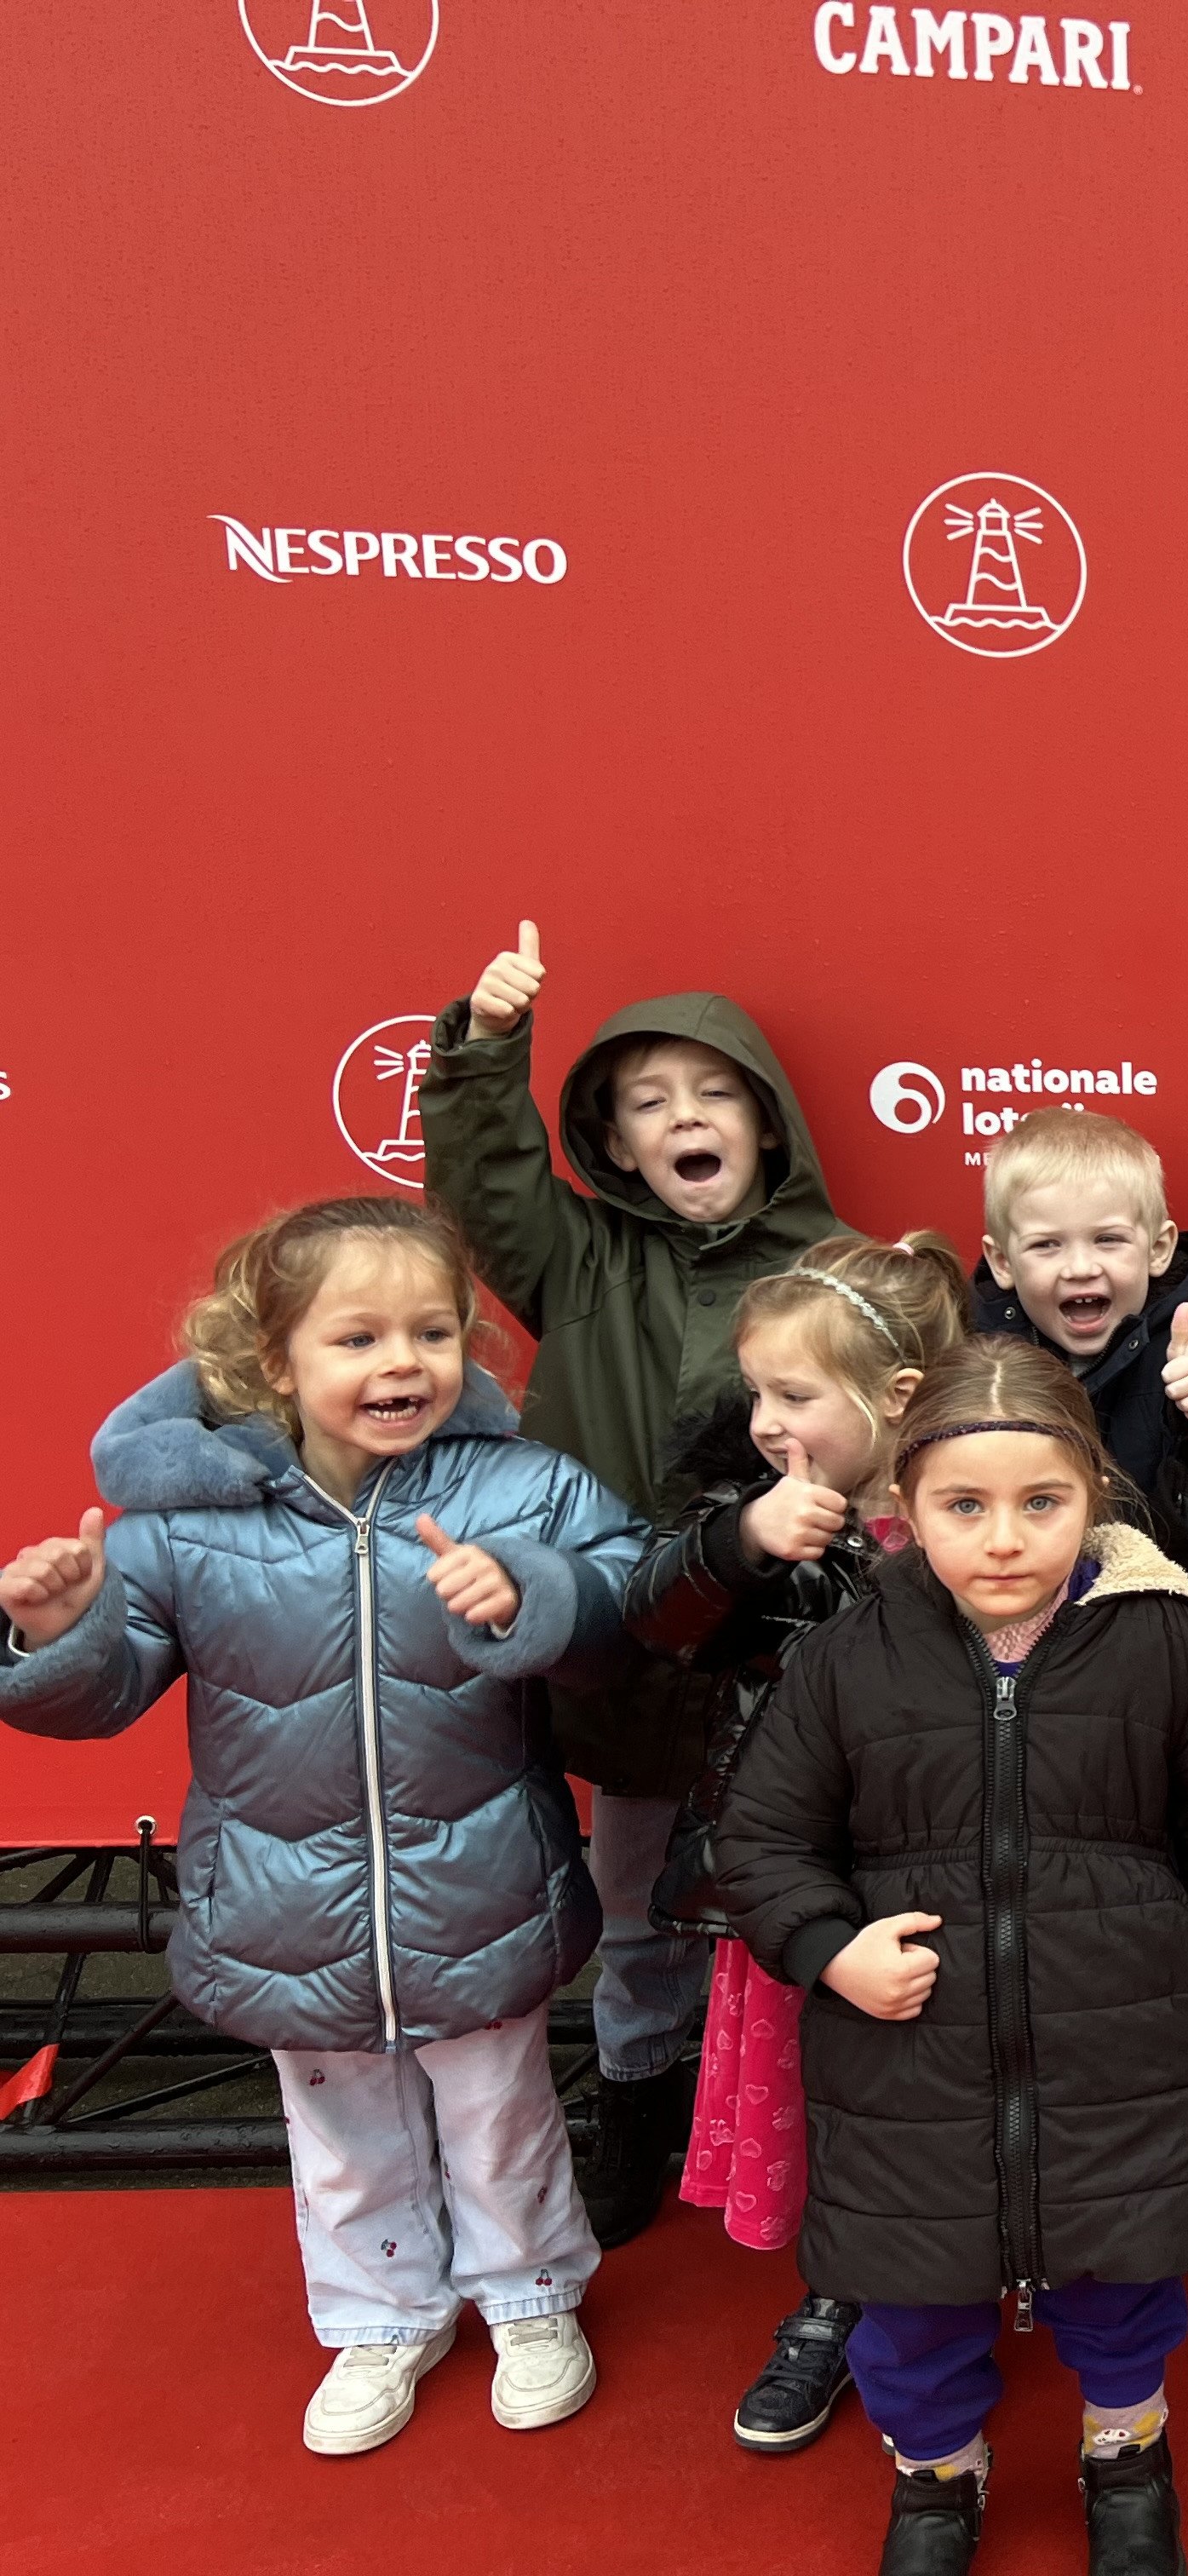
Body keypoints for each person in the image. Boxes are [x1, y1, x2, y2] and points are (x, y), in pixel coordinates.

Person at [0, 1198, 639, 2454]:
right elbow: (105, 1690)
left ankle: (530, 2295)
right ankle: (380, 2316)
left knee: (503, 2111)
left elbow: (628, 1597)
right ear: (271, 1360)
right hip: (281, 1904)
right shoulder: (185, 1529)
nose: (403, 1362)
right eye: (358, 1338)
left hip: (483, 1884)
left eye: (432, 1332)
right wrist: (54, 1635)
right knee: (341, 2133)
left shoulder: (524, 1486)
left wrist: (536, 1593)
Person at [715, 1342, 1188, 2576]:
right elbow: (762, 1838)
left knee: (1124, 2285)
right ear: (907, 1506)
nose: (1005, 1539)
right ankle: (936, 2475)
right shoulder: (850, 1656)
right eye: (964, 1507)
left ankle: (1127, 2454)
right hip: (907, 2058)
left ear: (1093, 1494)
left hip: (1123, 2048)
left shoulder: (1163, 1637)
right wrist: (828, 1950)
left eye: (1042, 1502)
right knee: (911, 2300)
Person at [423, 921, 843, 2242]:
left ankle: (814, 2139)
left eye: (714, 1093)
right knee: (635, 1912)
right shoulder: (583, 1258)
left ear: (767, 1124)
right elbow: (488, 1184)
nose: (686, 1118)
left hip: (795, 1662)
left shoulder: (842, 1266)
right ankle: (636, 2111)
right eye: (650, 1103)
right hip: (630, 1647)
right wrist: (489, 1048)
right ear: (613, 1144)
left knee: (817, 1901)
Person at [623, 1233, 972, 2455]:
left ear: (898, 1398)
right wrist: (741, 1543)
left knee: (933, 2094)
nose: (766, 1421)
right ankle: (834, 2300)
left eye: (793, 1395)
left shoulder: (973, 1507)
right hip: (798, 1890)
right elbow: (655, 1622)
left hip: (940, 1872)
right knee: (820, 2105)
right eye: (757, 1392)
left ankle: (957, 2281)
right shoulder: (754, 1518)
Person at [970, 1107, 1188, 1659]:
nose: (1080, 1267)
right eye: (1047, 1245)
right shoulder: (978, 1359)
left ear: (1158, 1249)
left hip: (1169, 1643)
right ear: (1002, 1261)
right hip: (1017, 1643)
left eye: (1108, 1240)